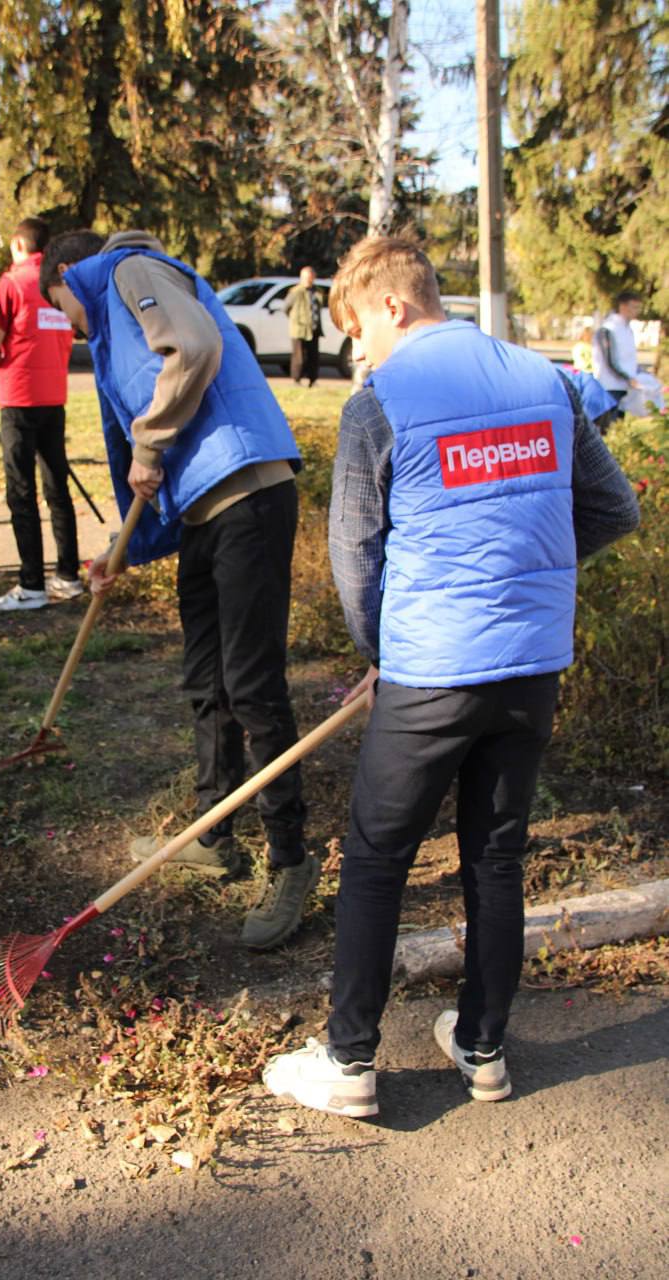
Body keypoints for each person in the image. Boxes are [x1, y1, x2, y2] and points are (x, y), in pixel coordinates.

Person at [263, 236, 640, 1118]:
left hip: (432, 668)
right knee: (495, 858)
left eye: (357, 332)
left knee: (374, 860)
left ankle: (349, 1061)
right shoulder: (545, 380)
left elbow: (355, 559)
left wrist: (382, 652)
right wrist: (521, 570)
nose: (357, 354)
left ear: (393, 306)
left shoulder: (379, 403)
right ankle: (482, 1051)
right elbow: (611, 508)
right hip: (531, 665)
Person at [39, 228, 314, 950]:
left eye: (60, 307)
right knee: (205, 681)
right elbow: (147, 474)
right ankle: (212, 833)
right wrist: (116, 553)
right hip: (201, 506)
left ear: (67, 274)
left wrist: (151, 439)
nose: (68, 325)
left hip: (246, 492)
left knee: (251, 685)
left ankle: (290, 859)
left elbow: (192, 351)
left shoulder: (130, 270)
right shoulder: (110, 328)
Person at [0, 216, 81, 612]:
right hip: (53, 396)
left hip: (19, 397)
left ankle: (31, 583)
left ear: (18, 245)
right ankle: (69, 575)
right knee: (57, 487)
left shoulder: (13, 282)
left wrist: (3, 371)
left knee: (21, 492)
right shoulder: (58, 283)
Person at [592, 290, 644, 420]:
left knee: (619, 425)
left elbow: (629, 358)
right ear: (623, 306)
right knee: (608, 426)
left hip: (624, 386)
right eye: (634, 307)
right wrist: (627, 377)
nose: (637, 311)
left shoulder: (627, 329)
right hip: (609, 386)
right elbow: (610, 359)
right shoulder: (609, 328)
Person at [284, 266, 324, 387]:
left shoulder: (318, 291)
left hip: (314, 329)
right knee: (299, 357)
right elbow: (286, 308)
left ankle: (313, 379)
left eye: (310, 277)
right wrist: (296, 320)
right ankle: (297, 379)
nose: (308, 280)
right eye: (306, 278)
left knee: (313, 356)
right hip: (299, 329)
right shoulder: (295, 292)